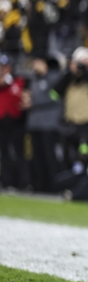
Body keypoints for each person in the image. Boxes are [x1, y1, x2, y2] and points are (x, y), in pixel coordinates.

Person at [23, 51, 63, 192]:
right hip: (34, 124)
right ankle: (40, 187)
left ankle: (54, 187)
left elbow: (54, 97)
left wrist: (33, 102)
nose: (34, 66)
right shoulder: (33, 79)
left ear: (43, 63)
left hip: (49, 125)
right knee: (37, 158)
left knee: (50, 158)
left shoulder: (55, 78)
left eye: (36, 62)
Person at [0, 54, 29, 191]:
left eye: (6, 66)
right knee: (4, 153)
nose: (3, 69)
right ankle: (7, 182)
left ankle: (23, 182)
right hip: (2, 122)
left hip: (17, 122)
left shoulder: (20, 81)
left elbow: (25, 98)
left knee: (19, 153)